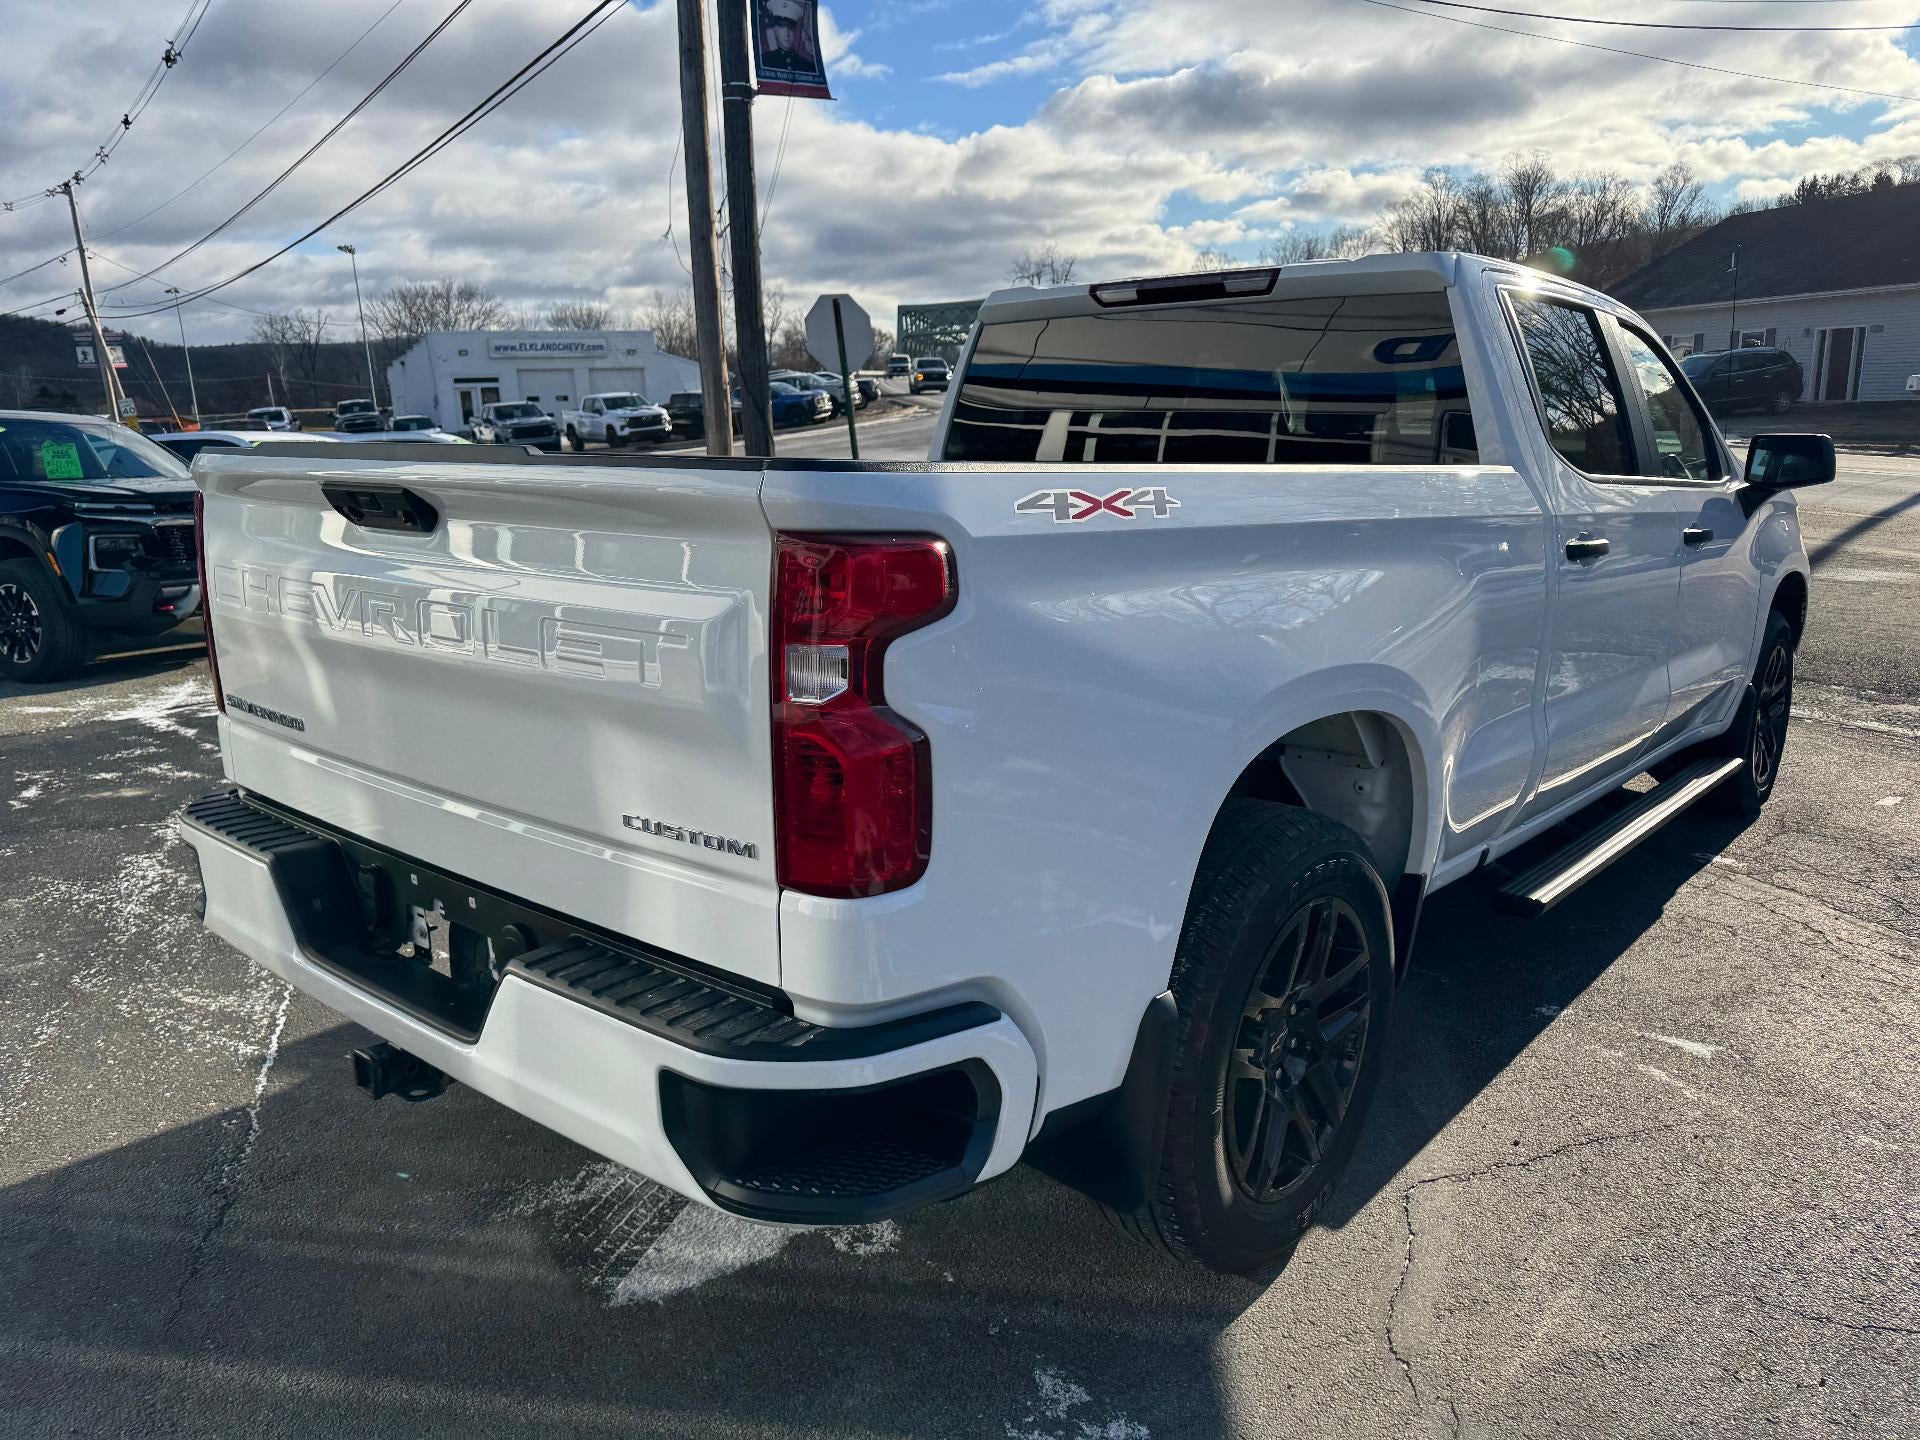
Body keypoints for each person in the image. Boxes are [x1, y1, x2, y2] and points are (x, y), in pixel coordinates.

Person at [759, 0, 816, 74]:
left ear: (795, 31)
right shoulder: (764, 61)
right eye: (781, 26)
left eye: (790, 27)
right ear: (775, 30)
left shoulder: (808, 66)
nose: (786, 33)